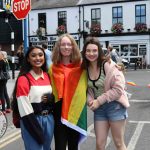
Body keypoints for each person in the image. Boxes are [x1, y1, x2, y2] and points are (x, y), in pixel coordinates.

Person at [81, 37, 130, 150]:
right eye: (88, 51)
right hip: (100, 110)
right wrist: (90, 100)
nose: (91, 53)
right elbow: (88, 89)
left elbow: (118, 89)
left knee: (119, 143)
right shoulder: (85, 68)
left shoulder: (107, 65)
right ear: (84, 52)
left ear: (99, 51)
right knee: (99, 144)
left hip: (115, 106)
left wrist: (99, 100)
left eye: (94, 50)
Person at [48, 33, 87, 150]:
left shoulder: (81, 67)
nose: (66, 47)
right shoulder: (52, 68)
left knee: (73, 146)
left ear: (73, 47)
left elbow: (98, 70)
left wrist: (114, 67)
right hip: (58, 111)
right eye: (63, 44)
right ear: (58, 47)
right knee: (59, 146)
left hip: (75, 111)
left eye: (69, 44)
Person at [12, 46, 54, 150]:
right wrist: (36, 130)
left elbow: (54, 99)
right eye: (33, 55)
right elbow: (24, 108)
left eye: (40, 55)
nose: (38, 58)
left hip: (49, 119)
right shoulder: (24, 79)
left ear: (44, 57)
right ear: (28, 59)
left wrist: (51, 99)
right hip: (32, 121)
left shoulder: (47, 76)